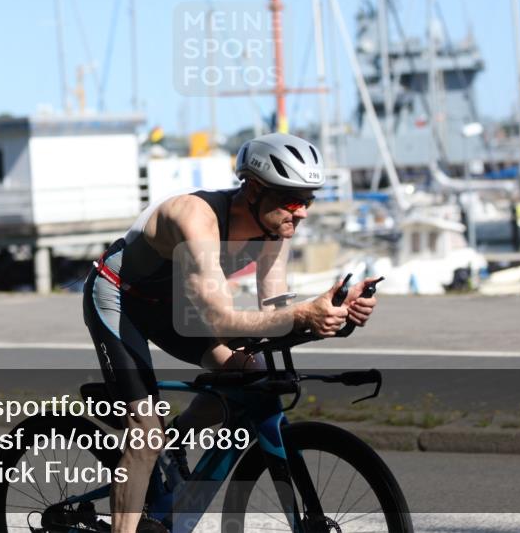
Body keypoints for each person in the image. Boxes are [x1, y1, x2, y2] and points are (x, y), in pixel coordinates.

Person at [83, 133, 379, 533]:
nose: (304, 212)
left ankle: (177, 442)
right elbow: (221, 317)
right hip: (120, 297)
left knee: (249, 374)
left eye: (308, 199)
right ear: (254, 190)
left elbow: (274, 315)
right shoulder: (195, 218)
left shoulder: (275, 232)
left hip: (176, 306)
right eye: (293, 199)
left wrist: (334, 314)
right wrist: (304, 315)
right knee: (145, 432)